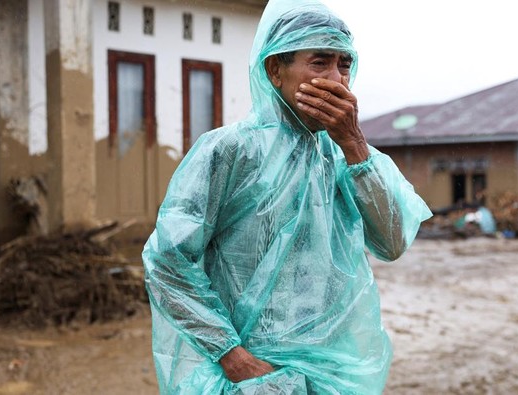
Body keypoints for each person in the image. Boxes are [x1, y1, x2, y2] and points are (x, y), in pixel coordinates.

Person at [142, 0, 432, 393]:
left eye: (344, 64)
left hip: (332, 371)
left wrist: (354, 145)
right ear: (274, 70)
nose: (336, 79)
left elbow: (392, 242)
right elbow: (167, 262)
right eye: (319, 63)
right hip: (252, 376)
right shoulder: (229, 151)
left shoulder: (347, 156)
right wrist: (233, 356)